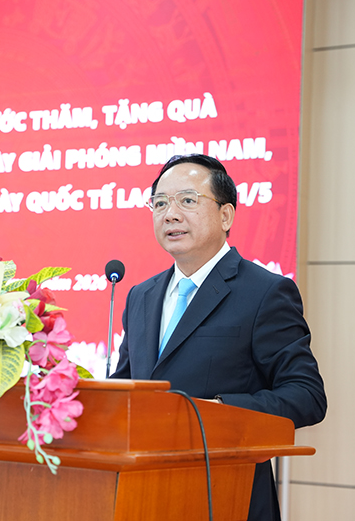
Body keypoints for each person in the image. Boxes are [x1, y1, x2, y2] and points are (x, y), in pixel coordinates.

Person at [111, 154, 326, 521]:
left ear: (226, 216)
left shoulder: (265, 292)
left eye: (187, 200)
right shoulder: (140, 296)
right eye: (159, 203)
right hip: (144, 496)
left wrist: (217, 411)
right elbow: (129, 385)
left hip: (227, 496)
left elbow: (306, 396)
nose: (170, 214)